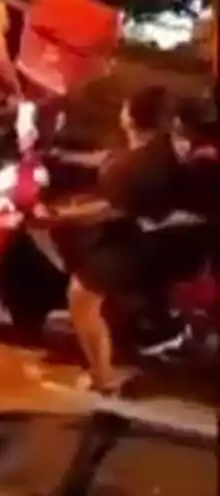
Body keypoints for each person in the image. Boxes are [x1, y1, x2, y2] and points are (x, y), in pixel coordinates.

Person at [41, 85, 180, 393]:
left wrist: (56, 216)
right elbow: (107, 159)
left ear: (129, 116)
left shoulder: (138, 166)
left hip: (138, 241)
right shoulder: (154, 148)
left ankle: (102, 377)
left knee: (81, 295)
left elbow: (108, 210)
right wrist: (63, 157)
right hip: (146, 230)